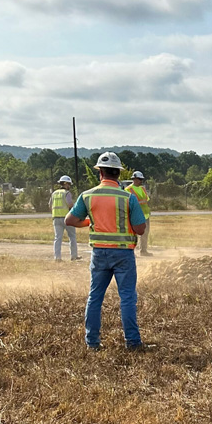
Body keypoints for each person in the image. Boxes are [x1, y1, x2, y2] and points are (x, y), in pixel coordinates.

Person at [65, 151, 147, 352]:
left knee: (95, 297)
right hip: (123, 254)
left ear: (100, 173)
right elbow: (140, 229)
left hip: (99, 254)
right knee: (127, 297)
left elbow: (70, 220)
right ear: (118, 174)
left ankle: (92, 342)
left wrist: (91, 221)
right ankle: (133, 343)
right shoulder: (128, 198)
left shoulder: (87, 196)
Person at [49, 175, 81, 261]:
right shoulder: (66, 193)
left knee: (57, 238)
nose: (69, 186)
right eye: (69, 184)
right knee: (72, 237)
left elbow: (50, 205)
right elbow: (70, 204)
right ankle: (74, 256)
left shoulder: (54, 193)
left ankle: (57, 257)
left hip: (56, 218)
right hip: (67, 218)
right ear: (66, 184)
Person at [125, 171, 151, 256]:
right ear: (134, 179)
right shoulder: (128, 190)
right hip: (135, 216)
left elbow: (146, 200)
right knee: (132, 234)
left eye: (141, 179)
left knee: (145, 233)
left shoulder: (143, 188)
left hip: (145, 215)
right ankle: (131, 252)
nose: (141, 181)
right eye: (139, 179)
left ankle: (143, 251)